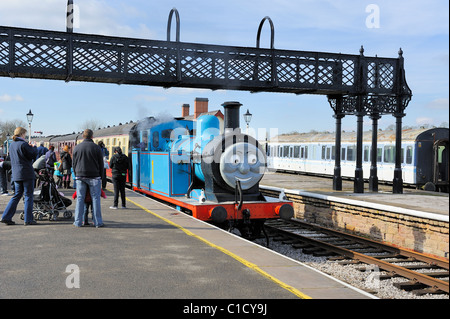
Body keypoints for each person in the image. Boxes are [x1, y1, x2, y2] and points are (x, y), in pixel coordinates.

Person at [1, 127, 38, 225]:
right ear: (22, 134)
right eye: (25, 134)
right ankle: (28, 219)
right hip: (26, 173)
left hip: (16, 174)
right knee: (28, 196)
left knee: (17, 195)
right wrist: (34, 147)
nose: (25, 136)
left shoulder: (12, 145)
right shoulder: (24, 144)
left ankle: (6, 217)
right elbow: (33, 155)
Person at [72, 129, 105, 228]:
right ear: (92, 136)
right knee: (95, 199)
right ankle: (97, 222)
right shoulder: (96, 148)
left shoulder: (77, 148)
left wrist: (76, 174)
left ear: (83, 136)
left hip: (80, 176)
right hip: (94, 176)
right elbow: (101, 164)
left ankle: (78, 222)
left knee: (80, 199)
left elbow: (73, 164)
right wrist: (101, 177)